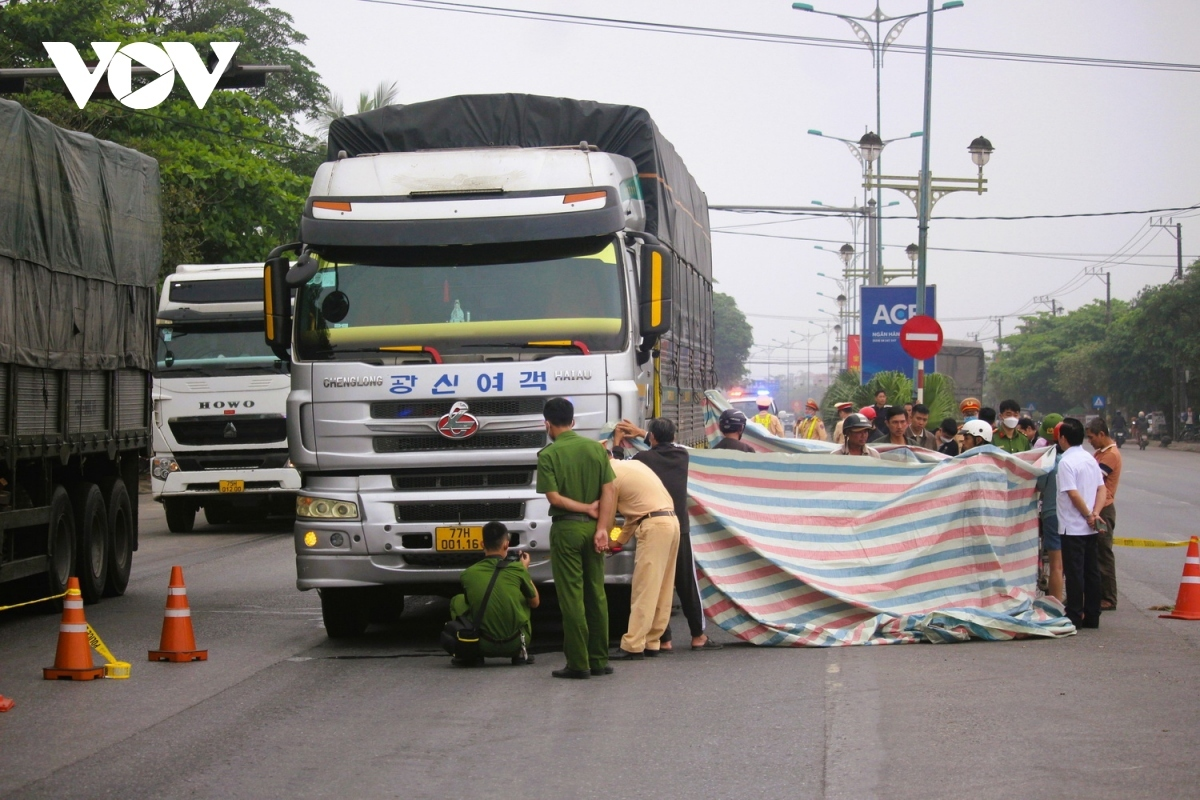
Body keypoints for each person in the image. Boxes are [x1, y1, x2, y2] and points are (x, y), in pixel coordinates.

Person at [612, 417, 720, 652]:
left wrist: (618, 444)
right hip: (679, 526)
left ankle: (664, 639)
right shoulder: (682, 457)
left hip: (653, 526)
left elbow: (617, 471)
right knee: (685, 583)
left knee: (655, 583)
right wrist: (643, 433)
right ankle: (698, 635)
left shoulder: (642, 459)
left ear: (652, 438)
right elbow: (671, 444)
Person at [537, 397, 616, 679]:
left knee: (572, 597)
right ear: (573, 421)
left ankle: (578, 663)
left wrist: (583, 508)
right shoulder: (596, 450)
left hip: (567, 530)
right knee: (596, 593)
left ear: (546, 424)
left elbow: (554, 497)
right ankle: (599, 659)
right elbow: (609, 490)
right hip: (594, 529)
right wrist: (603, 528)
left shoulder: (548, 455)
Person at [606, 454, 681, 659]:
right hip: (671, 522)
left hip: (654, 527)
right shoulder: (634, 465)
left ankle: (633, 644)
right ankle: (652, 641)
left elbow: (609, 517)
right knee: (663, 586)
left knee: (644, 587)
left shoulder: (609, 476)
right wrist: (619, 541)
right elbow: (635, 514)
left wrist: (606, 540)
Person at [447, 521, 540, 666]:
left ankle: (471, 653)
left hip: (482, 644)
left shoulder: (468, 574)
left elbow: (470, 603)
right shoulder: (517, 569)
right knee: (524, 596)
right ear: (506, 545)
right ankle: (519, 654)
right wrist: (525, 571)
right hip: (516, 642)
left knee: (457, 600)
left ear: (482, 544)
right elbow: (535, 603)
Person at [1056, 417, 1107, 629]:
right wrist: (1095, 513)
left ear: (1063, 438)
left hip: (1073, 526)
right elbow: (1101, 488)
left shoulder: (1066, 462)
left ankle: (1075, 614)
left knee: (1075, 573)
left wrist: (1088, 514)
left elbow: (1073, 494)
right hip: (1090, 526)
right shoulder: (1089, 459)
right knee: (1091, 571)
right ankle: (1093, 614)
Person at [1086, 417, 1122, 611]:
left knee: (1103, 553)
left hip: (1104, 508)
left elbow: (1095, 479)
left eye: (1092, 437)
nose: (1090, 441)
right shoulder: (1100, 453)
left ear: (1102, 434)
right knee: (1096, 553)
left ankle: (1108, 597)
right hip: (1097, 507)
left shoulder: (1110, 455)